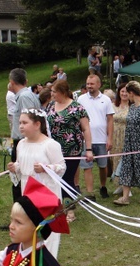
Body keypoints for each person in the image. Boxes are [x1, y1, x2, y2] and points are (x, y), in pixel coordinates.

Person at [7, 109, 66, 257]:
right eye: (20, 122)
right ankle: (30, 254)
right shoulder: (21, 144)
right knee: (30, 222)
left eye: (25, 122)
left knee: (46, 223)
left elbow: (61, 167)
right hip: (28, 189)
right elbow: (22, 165)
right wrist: (15, 168)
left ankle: (48, 257)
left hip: (46, 190)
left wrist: (47, 168)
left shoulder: (50, 145)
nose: (21, 126)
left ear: (37, 124)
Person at [47, 79, 94, 223]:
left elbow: (86, 129)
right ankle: (58, 209)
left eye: (54, 91)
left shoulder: (77, 107)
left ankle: (70, 211)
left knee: (67, 179)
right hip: (53, 149)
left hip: (72, 149)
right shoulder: (50, 105)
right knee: (55, 180)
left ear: (62, 91)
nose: (52, 94)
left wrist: (89, 149)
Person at [112, 81, 140, 206]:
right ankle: (125, 197)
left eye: (128, 93)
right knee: (126, 167)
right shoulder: (132, 107)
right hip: (129, 143)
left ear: (132, 93)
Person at [77, 73, 114, 199]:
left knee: (103, 166)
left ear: (99, 84)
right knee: (87, 167)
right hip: (86, 140)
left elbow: (110, 120)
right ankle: (90, 192)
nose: (89, 86)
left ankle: (103, 186)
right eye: (88, 84)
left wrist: (109, 138)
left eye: (92, 84)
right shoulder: (81, 99)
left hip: (101, 139)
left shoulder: (106, 100)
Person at [8, 68, 42, 203]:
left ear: (11, 83)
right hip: (23, 142)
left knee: (19, 180)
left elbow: (30, 122)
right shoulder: (27, 95)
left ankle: (22, 211)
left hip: (24, 143)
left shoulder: (24, 97)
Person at [110, 84, 130, 184]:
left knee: (125, 159)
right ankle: (118, 182)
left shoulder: (132, 107)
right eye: (122, 91)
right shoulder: (113, 106)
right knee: (115, 158)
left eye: (126, 91)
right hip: (114, 135)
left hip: (126, 134)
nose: (124, 93)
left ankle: (126, 182)